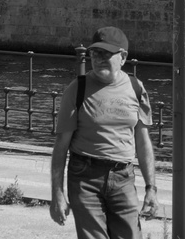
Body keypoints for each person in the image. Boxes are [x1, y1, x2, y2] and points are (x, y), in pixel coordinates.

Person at [50, 26, 159, 238]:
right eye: (95, 53)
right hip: (85, 177)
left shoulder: (136, 89)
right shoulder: (77, 88)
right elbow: (61, 147)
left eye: (106, 54)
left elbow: (143, 142)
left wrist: (151, 188)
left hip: (123, 177)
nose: (99, 59)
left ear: (123, 57)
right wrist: (57, 194)